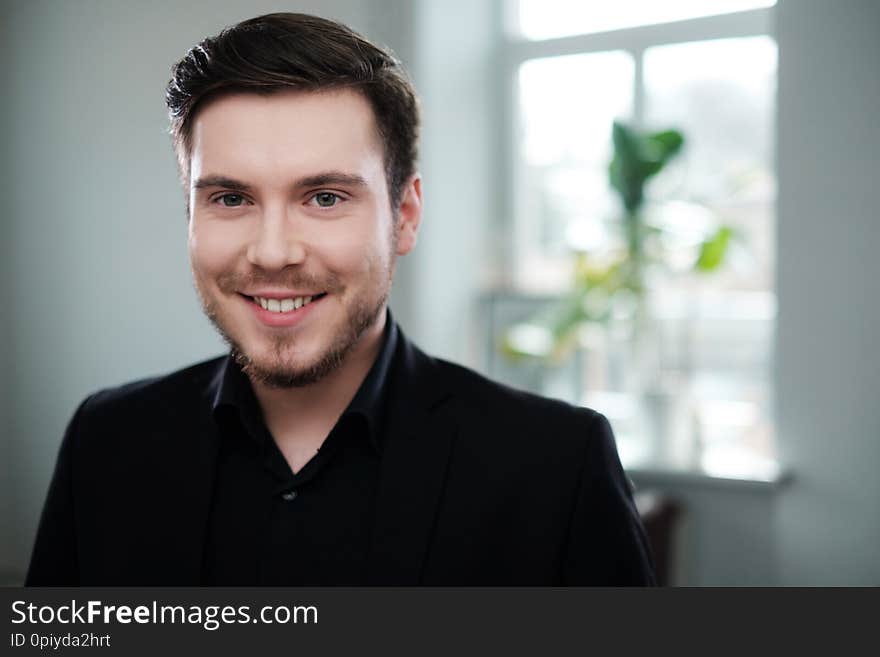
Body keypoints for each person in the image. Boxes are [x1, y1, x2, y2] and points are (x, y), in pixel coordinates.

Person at [26, 12, 655, 586]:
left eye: (324, 197)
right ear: (189, 214)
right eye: (230, 198)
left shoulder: (558, 469)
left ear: (404, 217)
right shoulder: (105, 443)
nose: (273, 252)